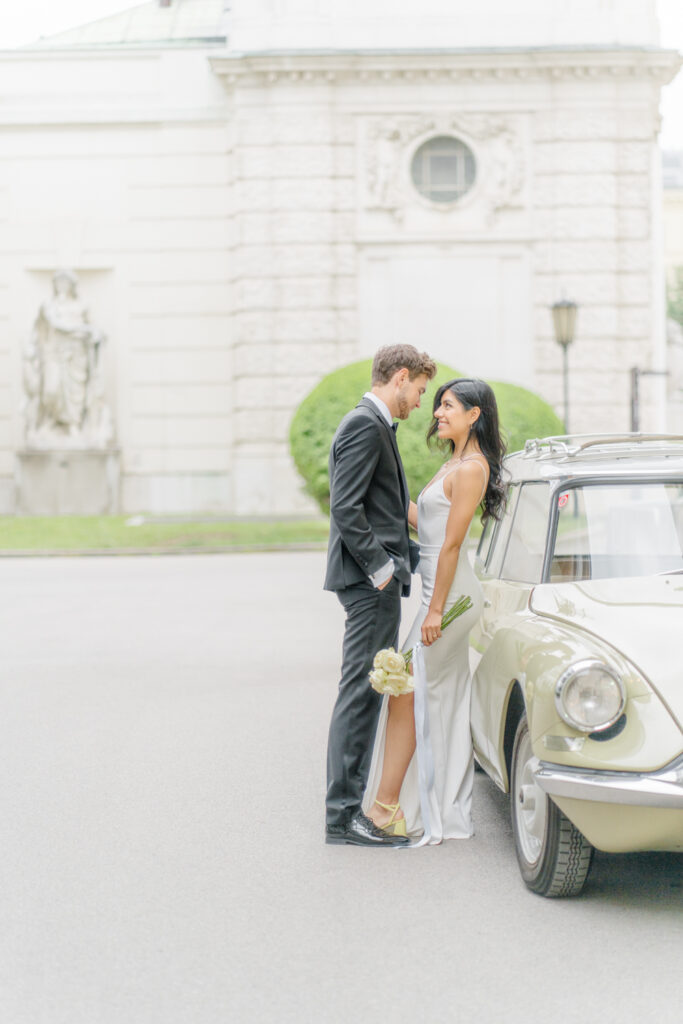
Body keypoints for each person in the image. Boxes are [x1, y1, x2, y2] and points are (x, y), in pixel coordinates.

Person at [363, 378, 506, 844]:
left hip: (450, 598)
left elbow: (450, 547)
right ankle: (404, 804)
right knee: (419, 695)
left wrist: (434, 611)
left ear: (474, 415)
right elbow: (426, 523)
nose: (438, 413)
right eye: (439, 405)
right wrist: (378, 496)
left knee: (406, 690)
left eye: (447, 406)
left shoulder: (472, 468)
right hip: (438, 596)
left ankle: (392, 808)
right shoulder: (456, 462)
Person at [324, 344, 437, 847]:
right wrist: (382, 570)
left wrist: (414, 555)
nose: (419, 402)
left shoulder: (374, 426)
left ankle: (348, 814)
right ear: (401, 378)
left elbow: (379, 510)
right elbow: (346, 509)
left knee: (368, 693)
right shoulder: (363, 425)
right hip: (370, 586)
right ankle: (343, 818)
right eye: (419, 390)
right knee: (361, 694)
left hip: (378, 581)